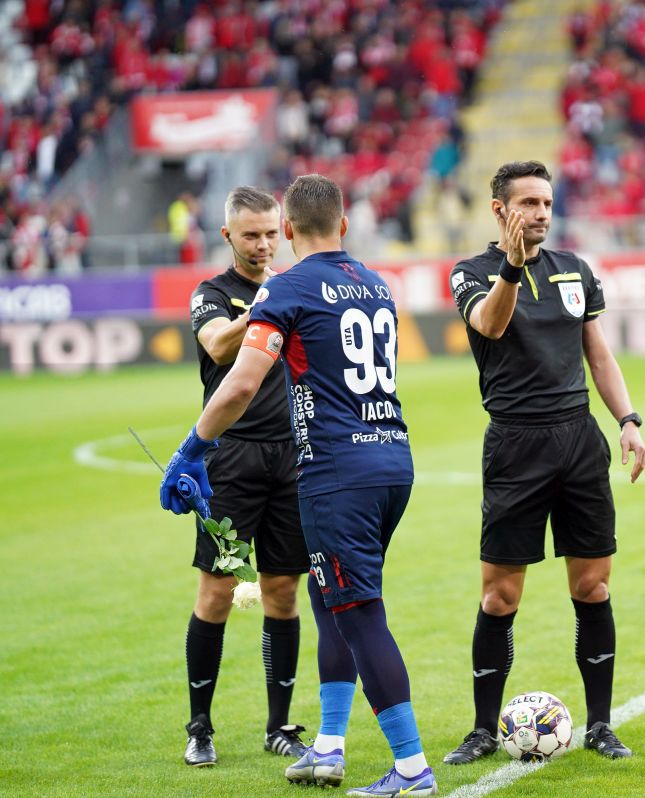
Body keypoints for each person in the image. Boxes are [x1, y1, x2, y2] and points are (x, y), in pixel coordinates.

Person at [159, 174, 437, 797]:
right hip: (392, 458)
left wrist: (191, 450)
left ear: (286, 231)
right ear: (344, 225)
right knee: (329, 603)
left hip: (333, 473)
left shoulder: (285, 289)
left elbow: (239, 384)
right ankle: (328, 748)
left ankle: (413, 769)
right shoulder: (375, 282)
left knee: (360, 614)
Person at [443, 160, 645, 765]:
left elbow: (599, 357)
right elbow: (490, 324)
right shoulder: (471, 273)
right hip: (515, 443)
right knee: (499, 598)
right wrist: (509, 268)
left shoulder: (575, 271)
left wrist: (629, 422)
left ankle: (602, 724)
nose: (540, 214)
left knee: (593, 586)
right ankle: (483, 728)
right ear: (500, 210)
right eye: (528, 203)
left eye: (547, 204)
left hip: (578, 442)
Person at [182, 186, 308, 768]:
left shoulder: (296, 287)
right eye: (250, 234)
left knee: (283, 593)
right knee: (219, 592)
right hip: (231, 461)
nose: (262, 243)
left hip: (292, 458)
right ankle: (200, 726)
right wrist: (264, 303)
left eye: (269, 232)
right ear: (228, 235)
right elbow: (216, 344)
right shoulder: (212, 295)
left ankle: (279, 726)